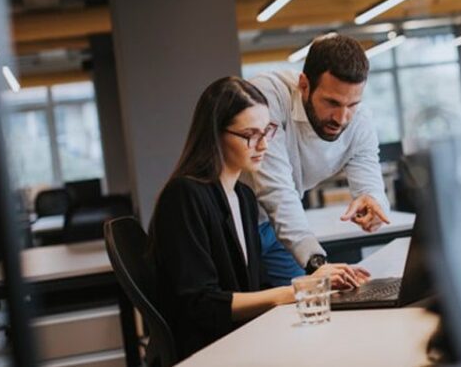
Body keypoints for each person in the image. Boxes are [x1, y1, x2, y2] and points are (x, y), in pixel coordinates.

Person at [148, 77, 369, 359]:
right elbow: (201, 304)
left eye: (268, 131)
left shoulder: (243, 197)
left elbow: (257, 287)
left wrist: (317, 287)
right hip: (211, 352)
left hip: (243, 341)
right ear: (216, 134)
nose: (264, 145)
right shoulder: (184, 196)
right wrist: (296, 290)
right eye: (251, 134)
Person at [242, 33, 391, 286]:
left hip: (277, 227)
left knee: (306, 300)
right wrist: (317, 264)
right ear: (304, 85)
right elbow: (276, 190)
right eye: (331, 102)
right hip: (234, 223)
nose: (342, 118)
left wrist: (374, 205)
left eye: (353, 104)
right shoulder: (267, 96)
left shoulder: (360, 121)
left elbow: (370, 184)